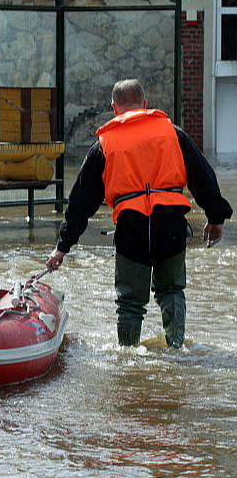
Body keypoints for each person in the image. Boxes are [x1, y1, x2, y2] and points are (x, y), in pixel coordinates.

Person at [46, 79, 231, 347]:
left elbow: (80, 202)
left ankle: (127, 355)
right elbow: (204, 178)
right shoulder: (173, 134)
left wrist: (62, 246)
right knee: (172, 291)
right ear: (145, 104)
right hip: (171, 224)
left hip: (131, 227)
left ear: (114, 108)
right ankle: (177, 350)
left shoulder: (104, 145)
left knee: (130, 303)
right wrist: (215, 219)